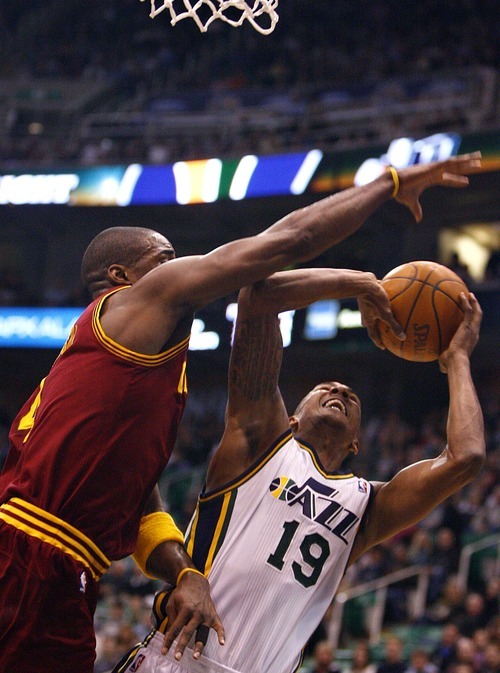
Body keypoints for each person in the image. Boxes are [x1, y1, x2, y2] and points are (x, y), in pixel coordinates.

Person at [0, 154, 481, 673]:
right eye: (166, 258)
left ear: (360, 442)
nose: (184, 268)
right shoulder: (133, 312)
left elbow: (138, 502)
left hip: (74, 569)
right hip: (35, 549)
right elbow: (276, 260)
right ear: (121, 276)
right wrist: (384, 192)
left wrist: (184, 573)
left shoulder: (152, 387)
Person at [112, 257, 485, 673]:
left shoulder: (366, 506)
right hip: (174, 661)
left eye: (352, 397)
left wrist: (458, 360)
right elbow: (260, 294)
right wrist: (361, 282)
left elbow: (465, 456)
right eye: (325, 387)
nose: (340, 388)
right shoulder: (259, 441)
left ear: (356, 443)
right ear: (291, 417)